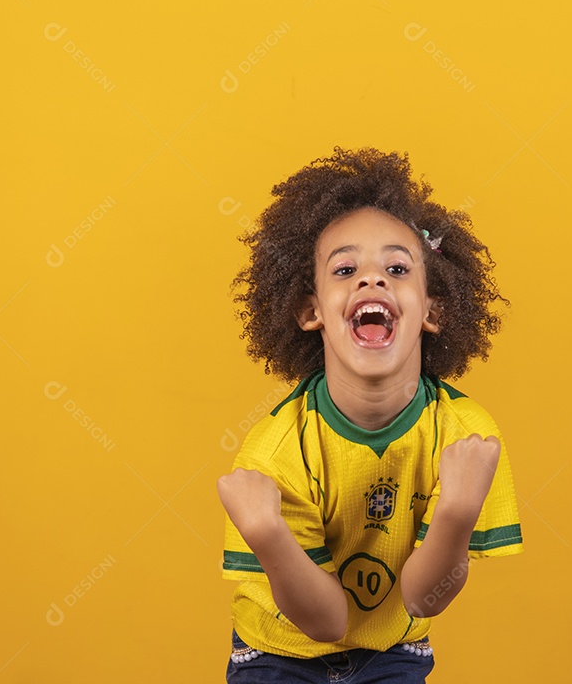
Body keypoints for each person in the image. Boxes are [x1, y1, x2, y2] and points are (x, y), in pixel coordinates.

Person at [218, 146, 523, 683]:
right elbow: (325, 621)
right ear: (311, 310)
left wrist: (457, 512)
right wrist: (265, 531)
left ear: (433, 309)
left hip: (393, 654)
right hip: (277, 653)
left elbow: (424, 600)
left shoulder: (466, 435)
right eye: (346, 268)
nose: (372, 280)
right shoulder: (275, 450)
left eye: (398, 267)